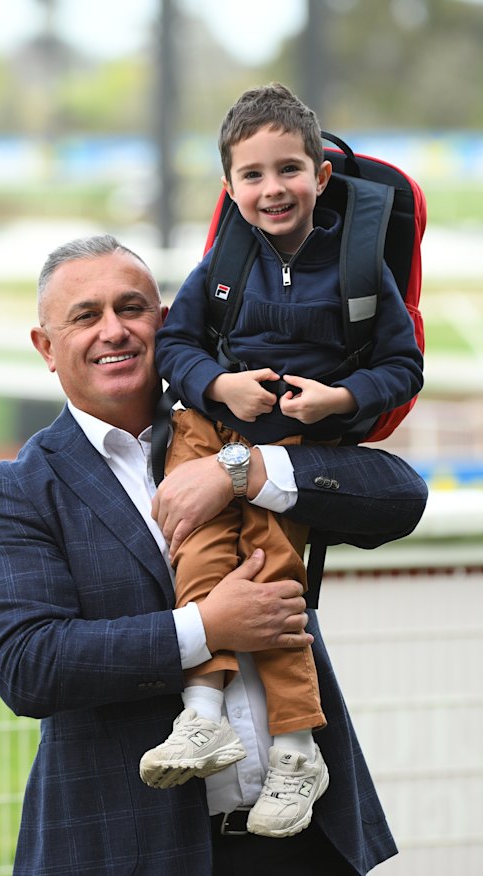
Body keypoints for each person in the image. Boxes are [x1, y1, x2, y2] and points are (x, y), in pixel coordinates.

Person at [0, 234, 427, 875]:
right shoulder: (20, 489)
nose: (113, 331)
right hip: (136, 850)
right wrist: (207, 628)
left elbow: (400, 499)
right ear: (47, 347)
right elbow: (27, 665)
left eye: (132, 309)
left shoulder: (243, 419)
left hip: (307, 840)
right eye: (85, 316)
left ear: (165, 321)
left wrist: (242, 469)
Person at [145, 82, 424, 839]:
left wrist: (339, 401)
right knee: (196, 550)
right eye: (254, 176)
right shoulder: (225, 262)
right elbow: (175, 345)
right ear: (230, 190)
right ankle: (201, 713)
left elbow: (403, 367)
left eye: (289, 170)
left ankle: (297, 750)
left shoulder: (362, 266)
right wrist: (215, 382)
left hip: (296, 444)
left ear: (321, 176)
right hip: (212, 425)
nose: (273, 189)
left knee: (271, 579)